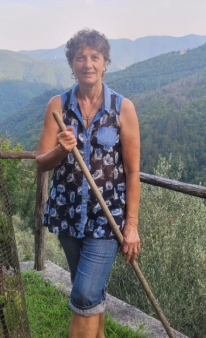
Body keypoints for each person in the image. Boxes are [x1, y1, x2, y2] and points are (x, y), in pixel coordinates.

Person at [36, 29, 141, 338]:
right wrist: (61, 149)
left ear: (105, 63)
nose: (88, 63)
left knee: (83, 294)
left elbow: (133, 172)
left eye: (95, 57)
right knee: (90, 292)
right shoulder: (58, 106)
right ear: (72, 64)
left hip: (107, 219)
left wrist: (132, 225)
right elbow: (41, 161)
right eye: (80, 57)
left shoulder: (123, 108)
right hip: (67, 216)